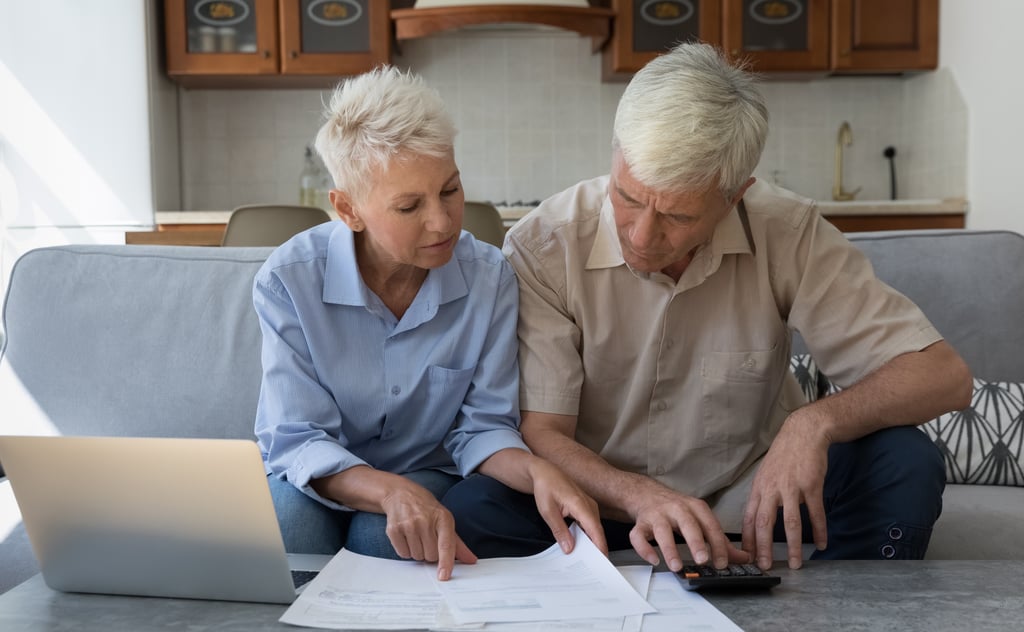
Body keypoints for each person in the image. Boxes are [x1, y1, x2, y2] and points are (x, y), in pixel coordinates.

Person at [459, 42, 972, 572]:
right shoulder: (545, 245)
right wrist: (639, 496)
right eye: (628, 198)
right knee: (475, 510)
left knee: (905, 462)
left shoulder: (787, 230)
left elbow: (943, 376)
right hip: (601, 498)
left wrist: (812, 425)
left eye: (677, 216)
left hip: (749, 495)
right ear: (613, 156)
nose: (641, 234)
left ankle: (833, 614)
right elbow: (543, 432)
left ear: (735, 196)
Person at [252, 67, 605, 581]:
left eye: (451, 189)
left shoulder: (490, 279)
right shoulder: (288, 282)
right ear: (348, 209)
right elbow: (297, 438)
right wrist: (389, 490)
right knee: (290, 531)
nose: (442, 221)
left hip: (426, 472)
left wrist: (538, 471)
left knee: (388, 541)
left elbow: (482, 428)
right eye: (409, 206)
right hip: (312, 475)